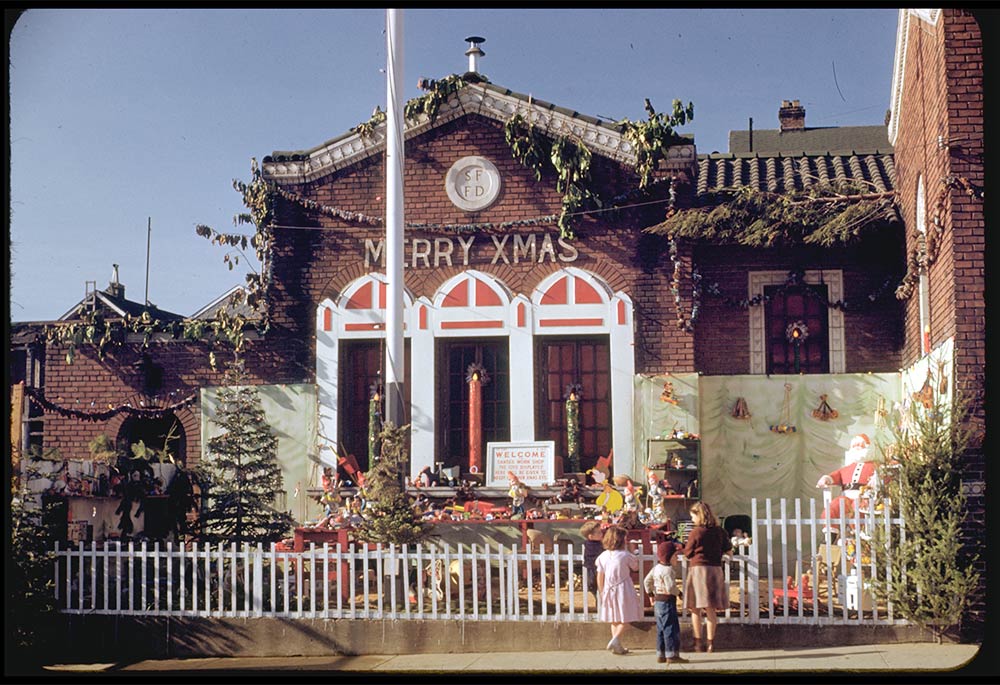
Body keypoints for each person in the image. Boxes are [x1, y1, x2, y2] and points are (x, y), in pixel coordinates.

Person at [681, 501, 732, 653]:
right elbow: (728, 550)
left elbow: (688, 553)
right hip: (715, 570)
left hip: (698, 570)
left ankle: (697, 643)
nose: (692, 520)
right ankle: (710, 643)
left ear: (699, 515)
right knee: (711, 609)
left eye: (693, 516)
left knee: (696, 609)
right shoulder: (720, 531)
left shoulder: (696, 532)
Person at [595, 525, 643, 655]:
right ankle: (615, 640)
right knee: (628, 616)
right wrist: (634, 552)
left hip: (608, 589)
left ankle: (617, 644)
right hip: (623, 588)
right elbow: (635, 567)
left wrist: (601, 591)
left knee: (614, 618)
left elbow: (600, 575)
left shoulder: (603, 556)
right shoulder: (625, 555)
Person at [643, 540, 688, 665]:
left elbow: (647, 581)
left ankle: (660, 654)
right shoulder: (668, 571)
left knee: (661, 628)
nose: (677, 559)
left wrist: (651, 594)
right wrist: (679, 593)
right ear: (669, 557)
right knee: (671, 628)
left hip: (658, 600)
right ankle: (671, 655)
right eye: (675, 556)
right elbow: (670, 588)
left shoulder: (656, 568)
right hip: (668, 601)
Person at [580, 520, 604, 600]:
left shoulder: (590, 544)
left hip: (595, 569)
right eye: (598, 532)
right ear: (591, 536)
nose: (601, 534)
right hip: (593, 570)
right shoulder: (594, 545)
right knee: (596, 588)